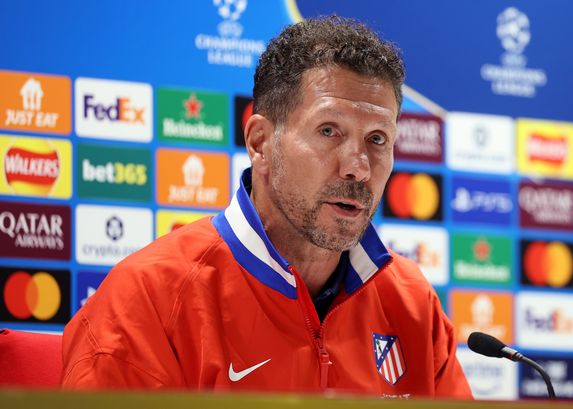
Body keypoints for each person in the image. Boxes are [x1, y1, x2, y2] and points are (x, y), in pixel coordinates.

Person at [62, 16, 472, 398]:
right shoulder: (147, 299)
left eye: (377, 139)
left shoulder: (412, 302)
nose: (358, 167)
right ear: (260, 143)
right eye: (329, 131)